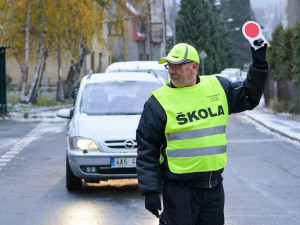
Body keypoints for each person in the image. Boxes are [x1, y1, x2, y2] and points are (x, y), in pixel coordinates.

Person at [136, 42, 269, 225]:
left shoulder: (218, 87)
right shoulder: (158, 102)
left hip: (213, 187)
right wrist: (150, 190)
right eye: (170, 66)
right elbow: (147, 148)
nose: (172, 71)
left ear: (194, 66)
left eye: (177, 65)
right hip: (179, 190)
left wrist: (259, 64)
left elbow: (249, 96)